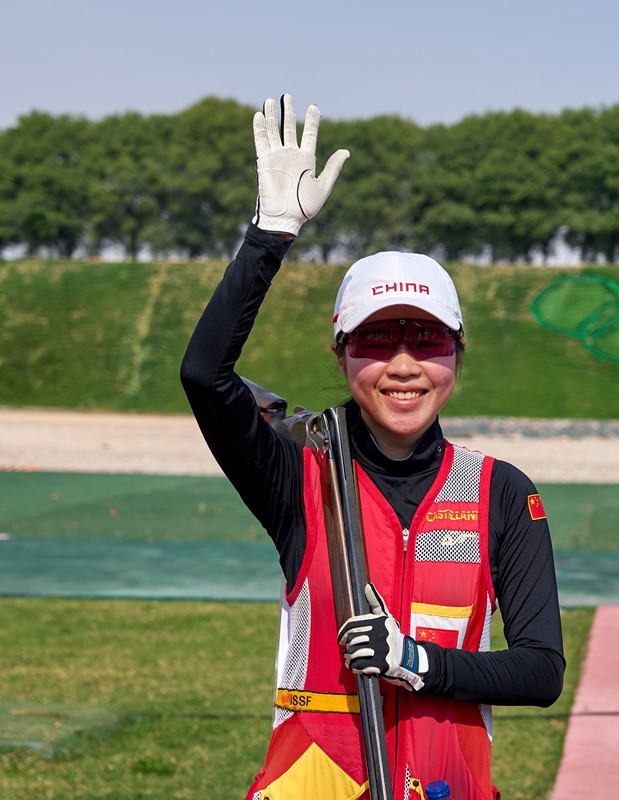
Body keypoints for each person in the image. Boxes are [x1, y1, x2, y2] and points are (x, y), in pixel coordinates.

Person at [180, 95, 564, 800]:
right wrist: (270, 234)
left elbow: (541, 671)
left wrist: (416, 662)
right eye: (377, 339)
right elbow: (205, 375)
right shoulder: (298, 474)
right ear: (342, 354)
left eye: (426, 339)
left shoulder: (502, 490)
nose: (403, 364)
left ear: (457, 352)